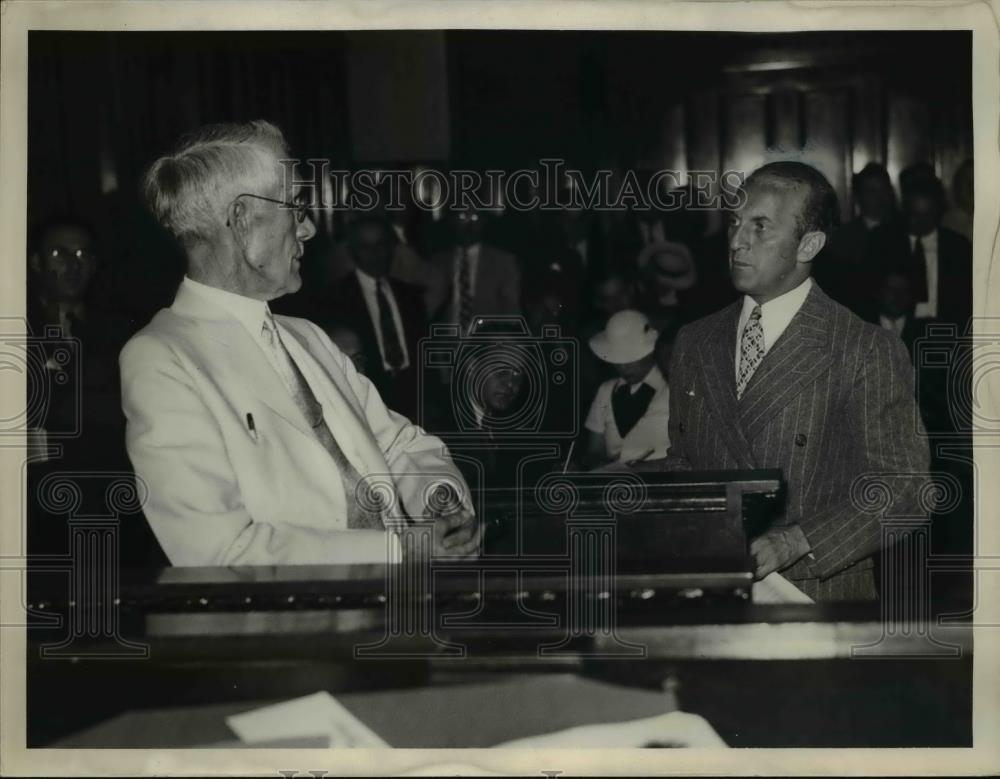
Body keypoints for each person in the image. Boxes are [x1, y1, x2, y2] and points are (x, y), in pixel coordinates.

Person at [121, 120, 479, 566]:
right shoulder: (162, 358)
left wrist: (439, 501)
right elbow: (217, 550)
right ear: (241, 218)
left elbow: (401, 445)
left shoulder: (307, 337)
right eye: (296, 208)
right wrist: (399, 550)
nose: (308, 229)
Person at [662, 161, 930, 601]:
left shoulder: (863, 348)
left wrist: (796, 541)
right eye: (735, 222)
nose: (736, 241)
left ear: (809, 244)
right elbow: (683, 461)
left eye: (760, 227)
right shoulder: (695, 340)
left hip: (818, 596)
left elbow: (907, 488)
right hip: (710, 589)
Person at [316, 214, 427, 419]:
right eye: (365, 247)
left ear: (392, 247)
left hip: (415, 401)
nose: (375, 253)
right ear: (352, 251)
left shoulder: (411, 296)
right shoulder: (334, 299)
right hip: (367, 402)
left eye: (381, 244)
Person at [868, 167, 972, 330]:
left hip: (948, 332)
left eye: (928, 215)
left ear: (939, 212)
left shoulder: (957, 247)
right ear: (905, 211)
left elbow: (965, 298)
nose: (921, 223)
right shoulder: (884, 241)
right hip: (900, 332)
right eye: (915, 215)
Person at [583, 310, 670, 468]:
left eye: (630, 359)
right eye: (617, 359)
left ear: (650, 351)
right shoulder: (606, 391)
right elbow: (594, 452)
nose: (623, 367)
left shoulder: (672, 388)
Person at [818, 162, 899, 321]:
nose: (879, 198)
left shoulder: (902, 233)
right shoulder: (841, 238)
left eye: (883, 190)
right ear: (858, 197)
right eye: (871, 191)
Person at [426, 205, 521, 333]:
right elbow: (428, 306)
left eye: (475, 217)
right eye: (462, 216)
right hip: (446, 342)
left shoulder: (502, 261)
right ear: (452, 220)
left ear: (483, 222)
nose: (469, 223)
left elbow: (511, 309)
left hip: (487, 341)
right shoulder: (438, 262)